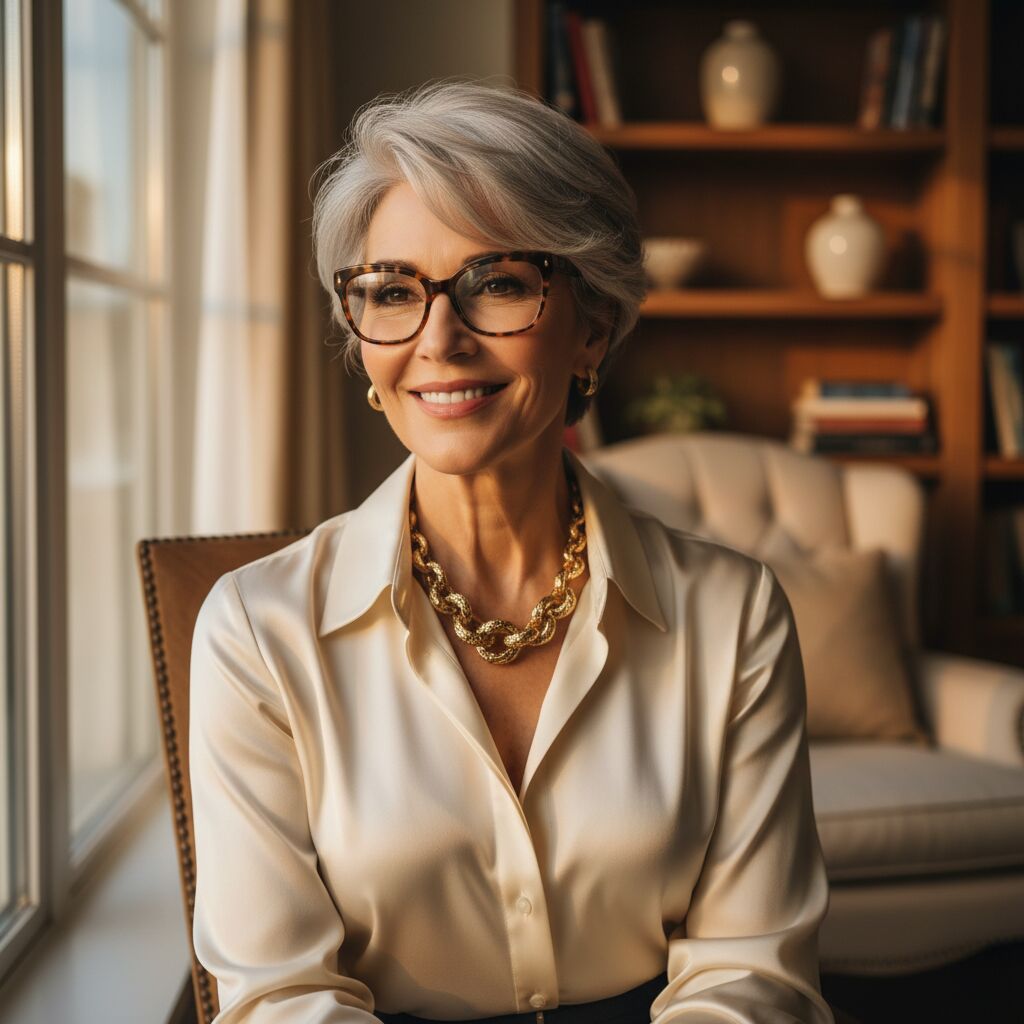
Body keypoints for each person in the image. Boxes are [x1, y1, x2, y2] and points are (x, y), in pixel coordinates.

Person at [188, 77, 835, 1024]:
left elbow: (751, 974)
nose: (438, 340)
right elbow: (284, 999)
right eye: (394, 292)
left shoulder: (732, 614)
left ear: (593, 327)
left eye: (496, 284)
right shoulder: (257, 631)